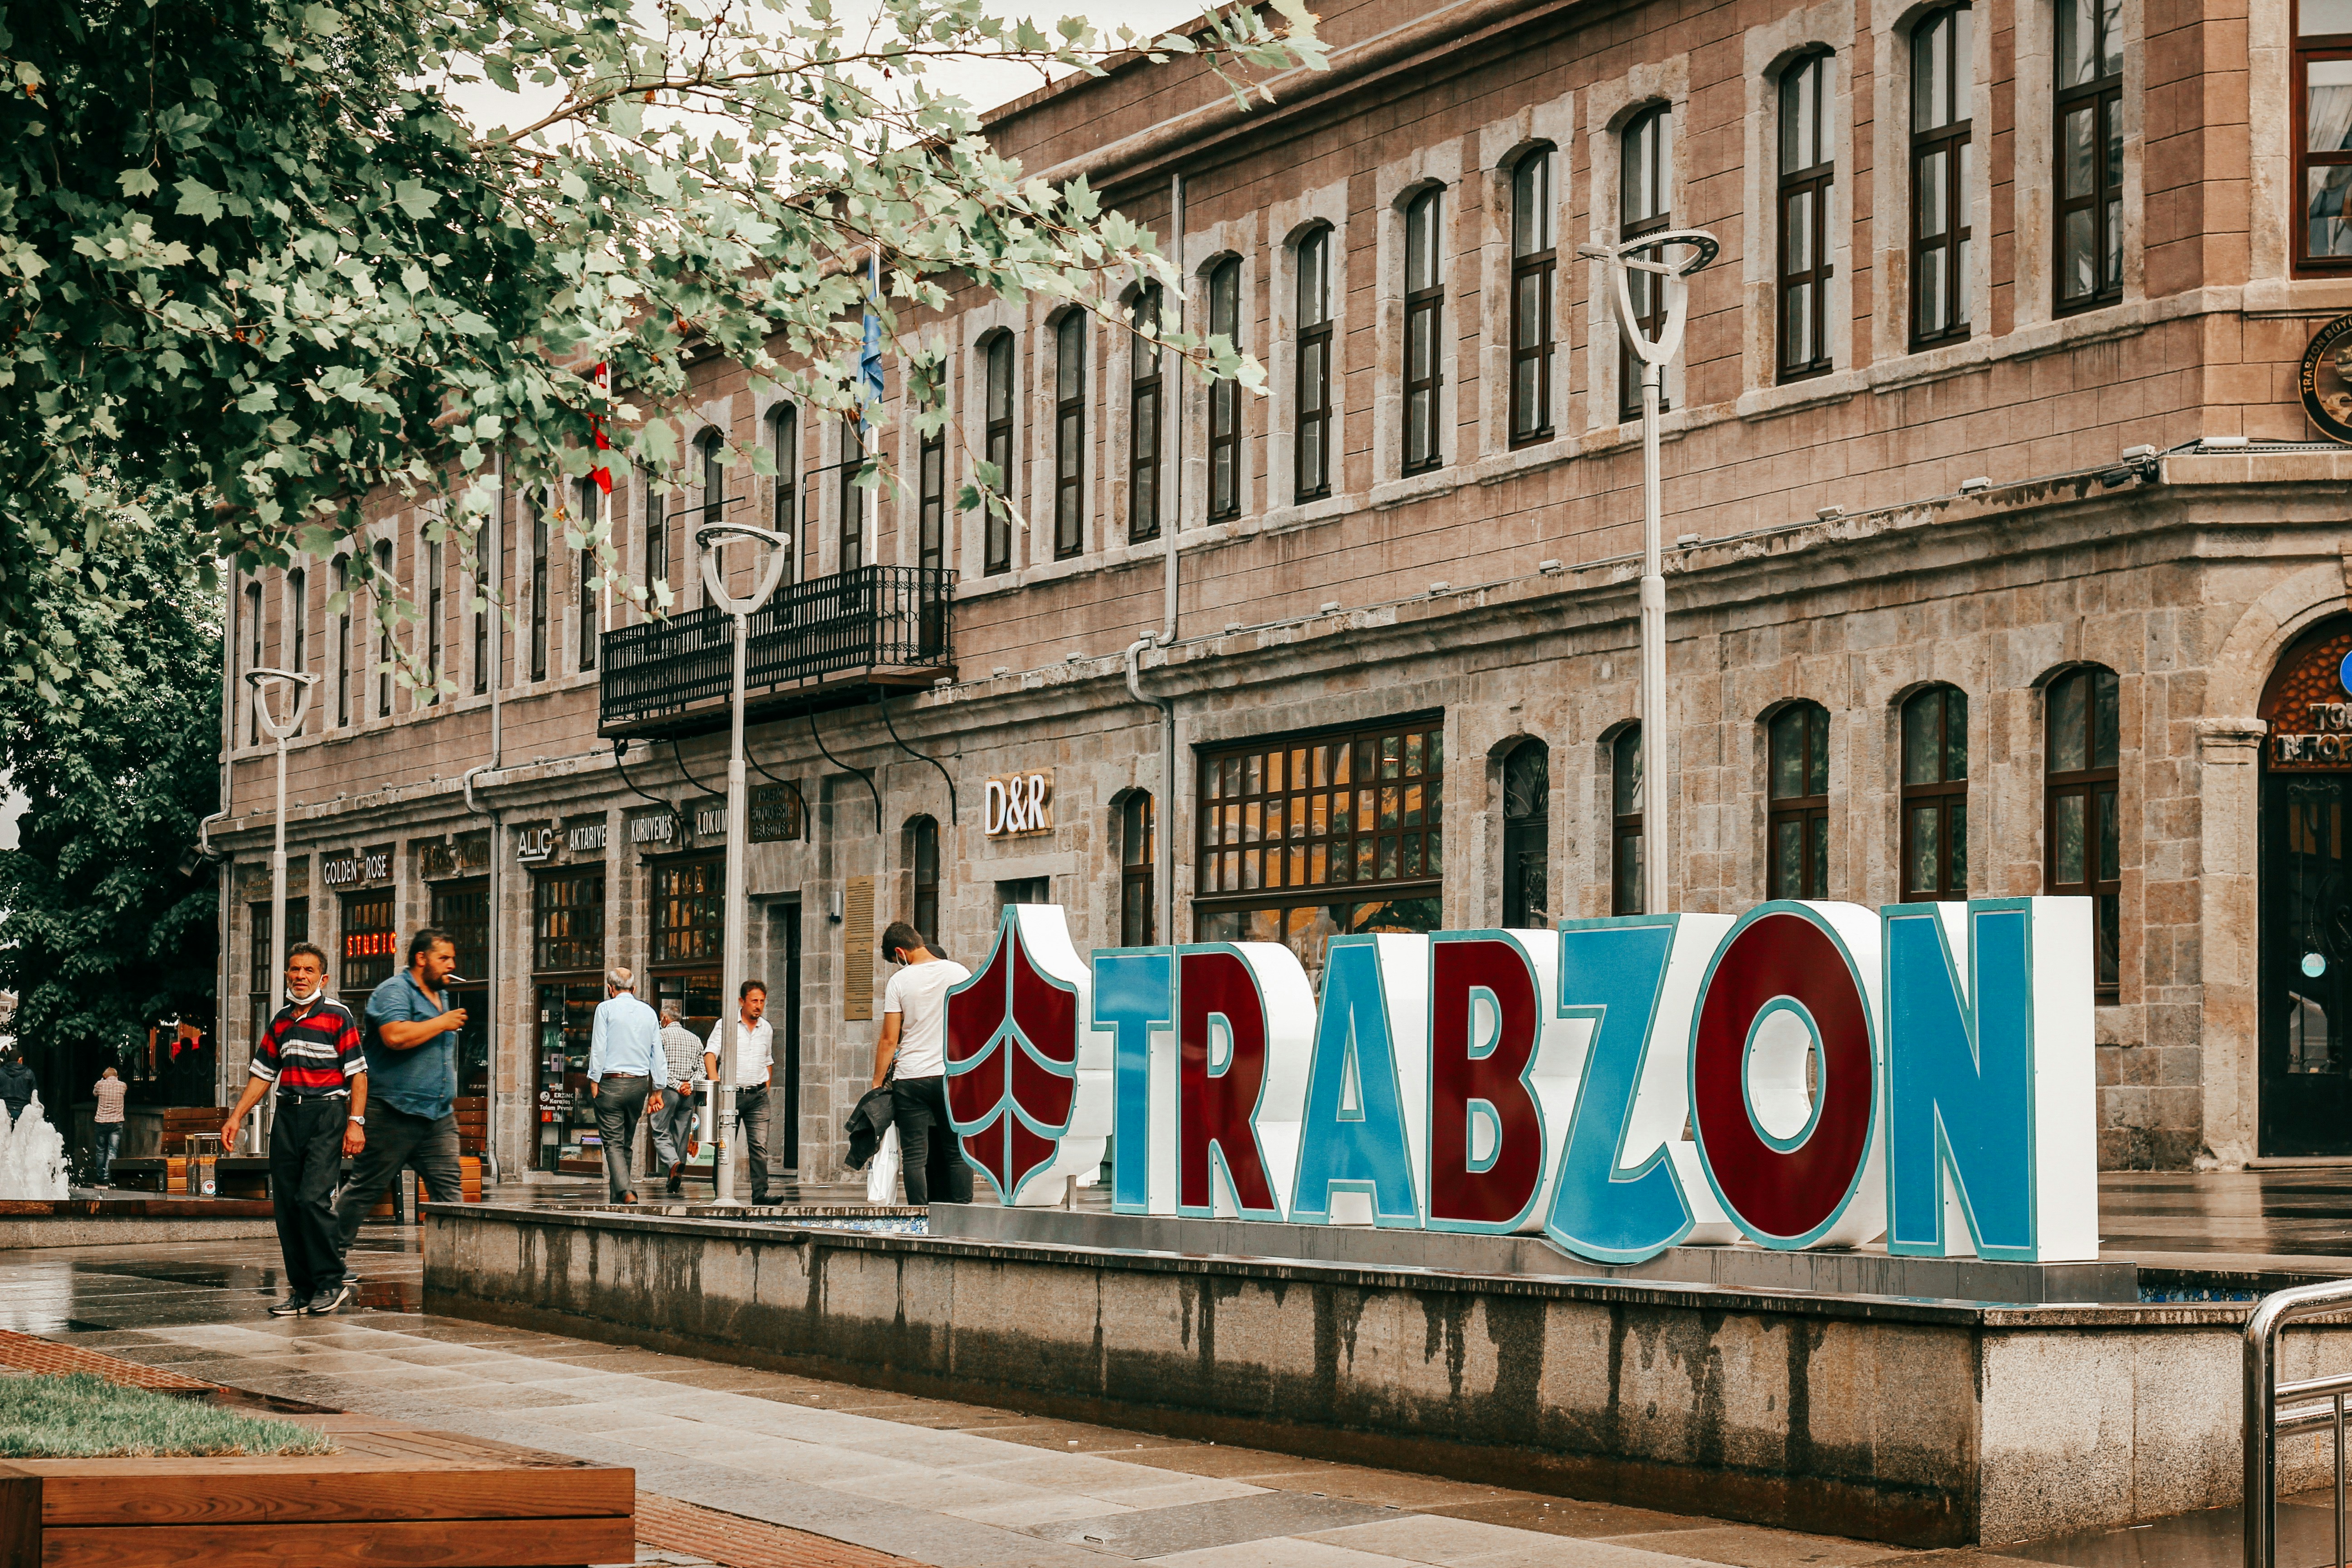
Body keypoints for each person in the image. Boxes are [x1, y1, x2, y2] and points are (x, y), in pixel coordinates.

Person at [223, 943, 367, 1316]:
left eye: (308, 970)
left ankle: (331, 1282)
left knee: (311, 1200)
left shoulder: (338, 1016)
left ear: (323, 978)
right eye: (295, 969)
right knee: (287, 1207)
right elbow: (262, 1074)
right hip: (287, 1117)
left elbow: (358, 1074)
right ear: (287, 974)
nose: (300, 976)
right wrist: (236, 1117)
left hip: (327, 1114)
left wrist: (356, 1123)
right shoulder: (282, 1021)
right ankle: (303, 1291)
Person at [332, 929, 469, 1270]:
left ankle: (452, 1269)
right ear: (421, 958)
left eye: (452, 958)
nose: (451, 965)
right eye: (443, 958)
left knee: (449, 1193)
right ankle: (326, 1259)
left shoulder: (441, 995)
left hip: (437, 1115)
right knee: (366, 1187)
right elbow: (394, 1037)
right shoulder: (393, 991)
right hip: (392, 1110)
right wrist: (442, 1022)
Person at [869, 922, 972, 1205]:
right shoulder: (960, 973)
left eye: (895, 960)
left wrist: (877, 1083)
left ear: (900, 952)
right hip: (950, 1075)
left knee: (915, 1155)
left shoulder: (899, 981)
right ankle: (962, 1215)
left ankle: (918, 1217)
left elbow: (889, 1039)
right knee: (957, 1151)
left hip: (911, 1078)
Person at [586, 966, 661, 1203]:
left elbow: (599, 1047)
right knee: (625, 1143)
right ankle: (617, 1199)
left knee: (613, 1143)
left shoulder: (605, 1009)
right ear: (634, 989)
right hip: (639, 1085)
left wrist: (594, 1079)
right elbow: (657, 1052)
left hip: (611, 1082)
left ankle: (627, 1192)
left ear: (610, 989)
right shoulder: (649, 1012)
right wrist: (658, 1089)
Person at [704, 980, 774, 1206]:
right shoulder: (726, 1025)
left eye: (762, 1001)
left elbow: (768, 1060)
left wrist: (766, 1086)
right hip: (731, 1094)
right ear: (742, 1001)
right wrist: (717, 1084)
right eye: (754, 1001)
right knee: (725, 1144)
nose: (759, 1005)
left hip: (758, 1096)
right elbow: (710, 1055)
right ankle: (721, 1191)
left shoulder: (767, 1028)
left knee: (759, 1146)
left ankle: (760, 1194)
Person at [649, 1000, 704, 1196]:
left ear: (665, 1019)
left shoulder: (661, 1036)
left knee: (660, 1130)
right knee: (682, 1135)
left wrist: (677, 1085)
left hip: (668, 1091)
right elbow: (701, 1069)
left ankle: (674, 1163)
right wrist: (689, 1084)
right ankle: (676, 1175)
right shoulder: (695, 1039)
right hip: (688, 1095)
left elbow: (658, 1066)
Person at [91, 1067, 128, 1185]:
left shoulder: (100, 1084)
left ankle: (100, 1177)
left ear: (105, 1076)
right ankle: (108, 1177)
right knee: (112, 1150)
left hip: (101, 1122)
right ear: (117, 1077)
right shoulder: (123, 1085)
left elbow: (95, 1094)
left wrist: (102, 1081)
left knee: (101, 1150)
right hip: (116, 1123)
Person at [0, 1051, 33, 1124]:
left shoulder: (1, 1073)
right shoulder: (29, 1073)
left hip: (4, 1112)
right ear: (20, 1060)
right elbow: (35, 1095)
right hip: (23, 1112)